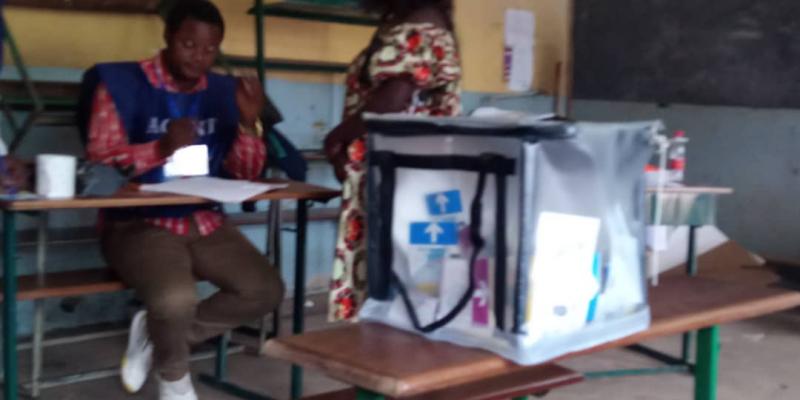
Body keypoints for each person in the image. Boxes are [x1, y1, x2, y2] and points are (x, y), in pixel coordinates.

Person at [85, 1, 284, 399]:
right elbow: (99, 157)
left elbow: (245, 173)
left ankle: (157, 335)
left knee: (265, 289)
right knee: (175, 299)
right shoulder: (121, 84)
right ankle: (174, 377)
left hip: (203, 219)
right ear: (168, 38)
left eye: (210, 49)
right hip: (138, 222)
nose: (199, 58)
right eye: (188, 45)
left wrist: (248, 123)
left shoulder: (225, 91)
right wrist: (159, 147)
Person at [325, 0, 461, 321]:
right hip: (414, 177)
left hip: (402, 179)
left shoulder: (418, 26)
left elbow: (392, 100)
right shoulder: (423, 21)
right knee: (411, 289)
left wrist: (337, 136)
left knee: (402, 286)